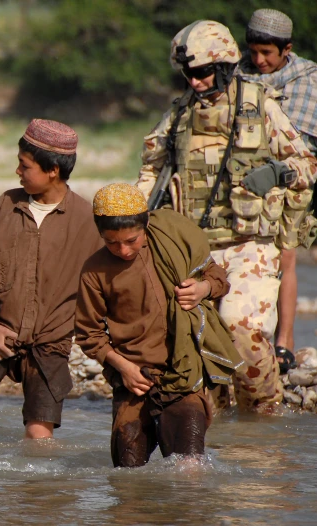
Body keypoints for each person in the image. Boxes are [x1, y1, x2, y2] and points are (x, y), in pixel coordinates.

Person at [137, 20, 317, 413]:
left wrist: (277, 173)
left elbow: (306, 164)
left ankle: (264, 424)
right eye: (188, 74)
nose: (195, 81)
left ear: (223, 66)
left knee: (242, 330)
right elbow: (150, 167)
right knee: (197, 352)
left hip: (249, 243)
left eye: (201, 72)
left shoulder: (260, 104)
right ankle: (215, 440)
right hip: (195, 248)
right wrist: (135, 214)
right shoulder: (180, 114)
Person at [0, 119, 102, 442]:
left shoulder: (87, 219)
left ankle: (35, 494)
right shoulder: (6, 204)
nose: (18, 171)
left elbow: (102, 287)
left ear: (53, 170)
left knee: (39, 433)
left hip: (50, 343)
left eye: (24, 166)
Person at [75, 183, 239, 467]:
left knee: (190, 470)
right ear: (100, 234)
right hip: (134, 381)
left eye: (132, 240)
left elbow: (219, 278)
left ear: (146, 223)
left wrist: (203, 288)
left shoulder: (174, 241)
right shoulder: (94, 271)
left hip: (182, 375)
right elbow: (89, 334)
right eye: (112, 242)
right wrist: (123, 368)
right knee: (128, 477)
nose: (123, 250)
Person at [238, 8, 317, 374]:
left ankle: (284, 341)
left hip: (289, 185)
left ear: (287, 49)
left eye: (267, 53)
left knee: (283, 259)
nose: (259, 61)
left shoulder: (307, 79)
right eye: (254, 52)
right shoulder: (237, 75)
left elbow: (306, 144)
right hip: (243, 185)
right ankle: (245, 341)